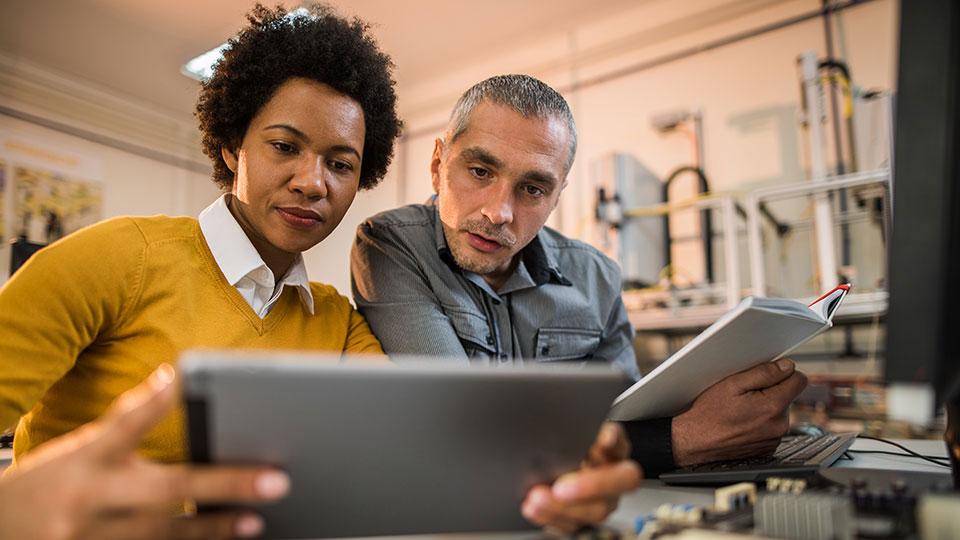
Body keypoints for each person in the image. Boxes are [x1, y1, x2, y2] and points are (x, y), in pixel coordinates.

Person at [0, 7, 636, 535]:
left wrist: (563, 487)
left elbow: (424, 450)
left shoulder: (334, 321)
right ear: (231, 145)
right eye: (284, 147)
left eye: (341, 162)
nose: (312, 182)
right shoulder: (114, 260)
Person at [350, 74, 808, 484]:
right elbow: (464, 428)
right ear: (437, 163)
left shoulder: (597, 277)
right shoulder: (390, 246)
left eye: (532, 189)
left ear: (556, 197)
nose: (499, 212)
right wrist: (683, 439)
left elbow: (631, 415)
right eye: (480, 171)